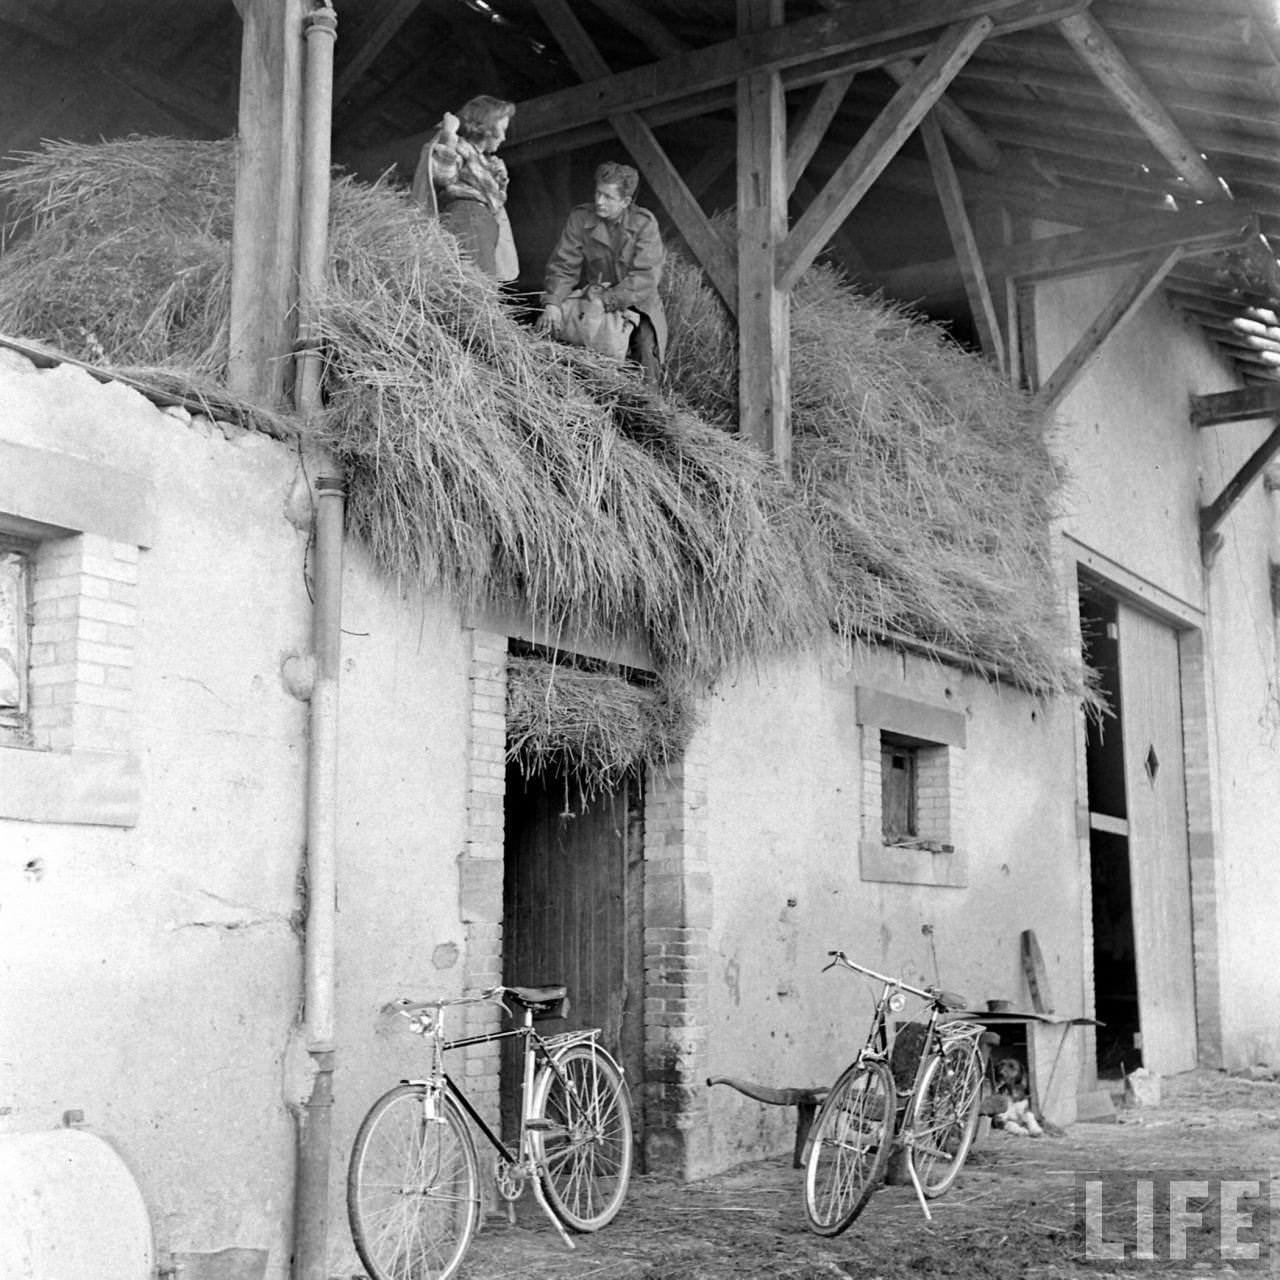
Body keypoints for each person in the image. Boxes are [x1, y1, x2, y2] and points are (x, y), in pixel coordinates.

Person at [540, 162, 667, 384]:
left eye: (608, 197)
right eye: (598, 193)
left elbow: (645, 276)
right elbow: (564, 265)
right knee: (556, 334)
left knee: (645, 349)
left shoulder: (644, 224)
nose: (599, 201)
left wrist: (608, 300)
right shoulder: (580, 218)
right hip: (593, 298)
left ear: (625, 202)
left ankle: (648, 407)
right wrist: (553, 302)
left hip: (635, 303)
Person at [411, 94, 518, 282]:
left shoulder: (487, 160)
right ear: (485, 127)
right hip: (468, 215)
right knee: (478, 284)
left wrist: (500, 177)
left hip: (483, 222)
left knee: (484, 282)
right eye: (501, 129)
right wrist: (449, 136)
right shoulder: (460, 147)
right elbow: (443, 176)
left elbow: (496, 203)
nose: (503, 137)